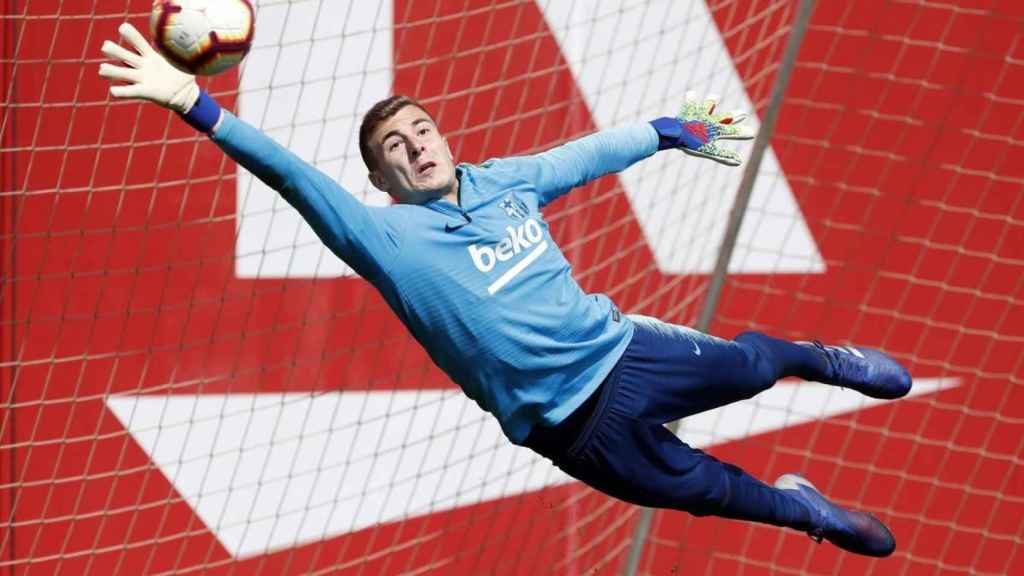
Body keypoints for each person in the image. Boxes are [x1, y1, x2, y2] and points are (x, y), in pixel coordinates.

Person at [99, 23, 912, 558]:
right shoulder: (384, 239)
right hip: (570, 427)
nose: (416, 147)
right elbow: (292, 177)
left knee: (753, 364)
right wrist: (197, 105)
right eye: (395, 147)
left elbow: (582, 156)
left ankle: (824, 360)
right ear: (380, 177)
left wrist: (668, 132)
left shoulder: (502, 183)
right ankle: (807, 513)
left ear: (441, 135)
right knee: (707, 493)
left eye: (421, 130)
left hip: (623, 352)